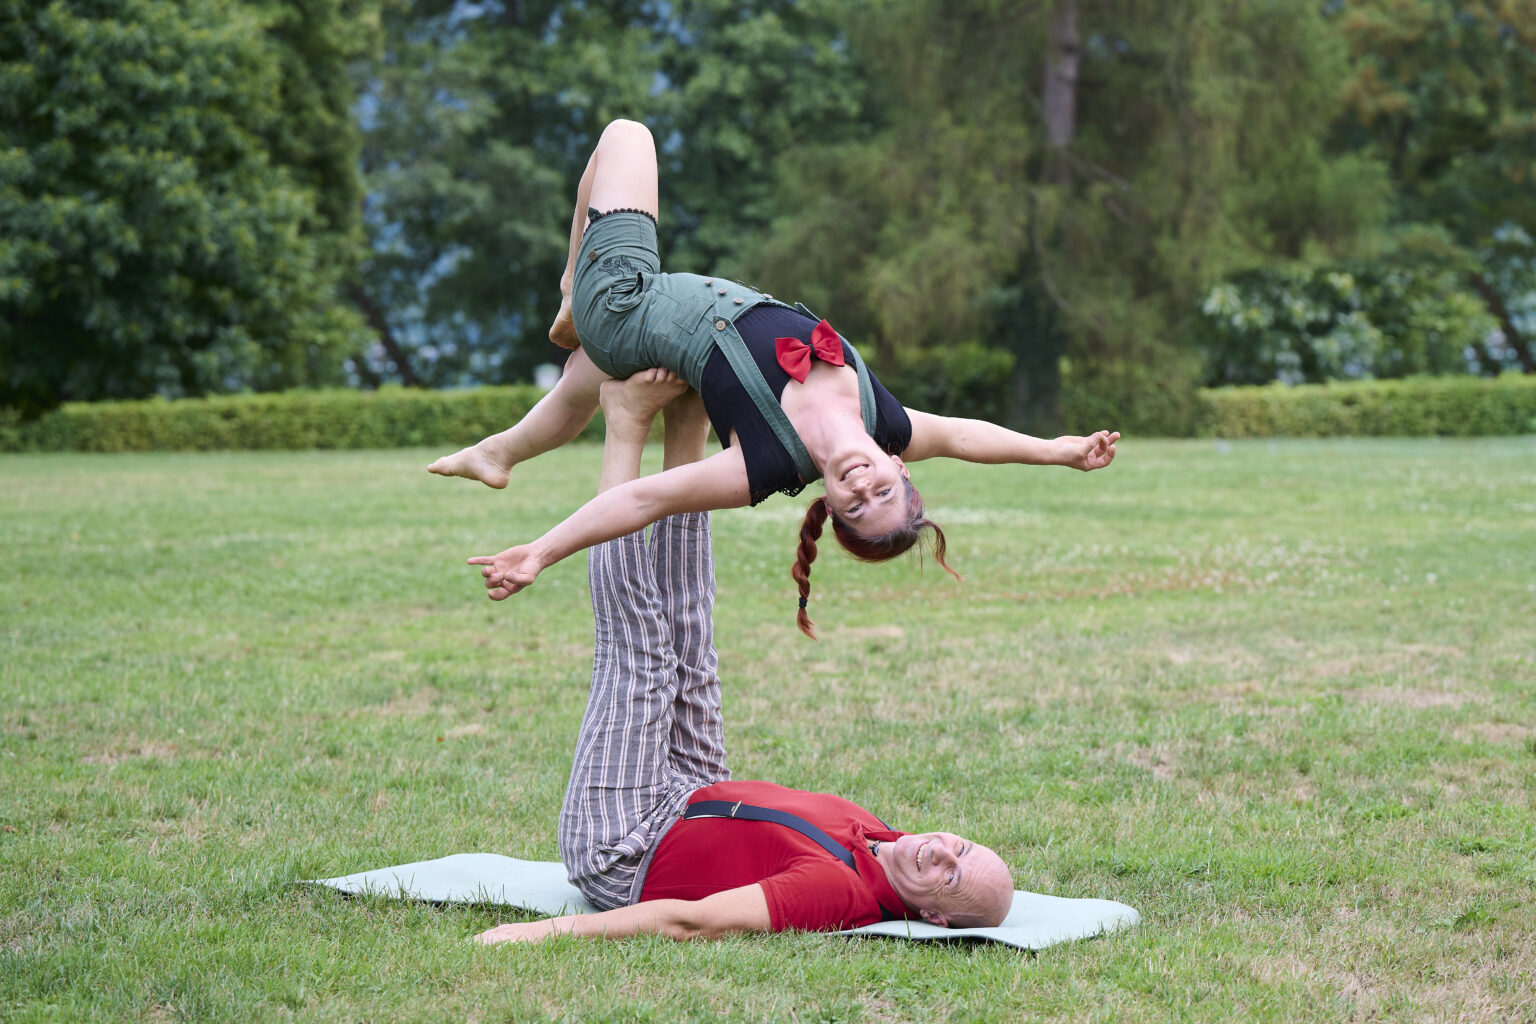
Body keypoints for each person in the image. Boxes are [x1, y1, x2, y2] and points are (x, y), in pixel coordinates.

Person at [432, 119, 1119, 635]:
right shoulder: (890, 426)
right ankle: (499, 452)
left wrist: (540, 552)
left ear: (830, 503)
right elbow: (969, 436)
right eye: (881, 487)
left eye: (853, 503)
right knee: (582, 380)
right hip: (667, 337)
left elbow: (640, 502)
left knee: (626, 137)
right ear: (900, 469)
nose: (860, 482)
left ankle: (572, 287)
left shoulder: (761, 465)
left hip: (629, 306)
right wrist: (1059, 452)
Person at [474, 374, 1014, 944]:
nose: (941, 853)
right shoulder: (887, 838)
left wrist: (542, 934)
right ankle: (687, 424)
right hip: (695, 791)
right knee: (691, 632)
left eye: (950, 877)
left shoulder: (841, 894)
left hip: (627, 846)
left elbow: (692, 921)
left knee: (642, 653)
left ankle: (626, 422)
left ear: (934, 917)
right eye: (961, 846)